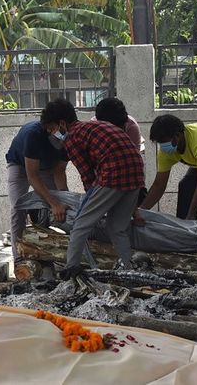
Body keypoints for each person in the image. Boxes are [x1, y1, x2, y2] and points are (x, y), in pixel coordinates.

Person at [59, 106, 145, 278]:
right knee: (117, 227)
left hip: (114, 174)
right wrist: (134, 211)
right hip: (136, 174)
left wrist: (88, 206)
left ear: (62, 123)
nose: (54, 133)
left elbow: (87, 176)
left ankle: (71, 270)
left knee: (80, 224)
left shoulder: (72, 137)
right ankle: (128, 270)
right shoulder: (97, 126)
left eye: (51, 128)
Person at [5, 98, 74, 264]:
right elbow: (32, 176)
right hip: (20, 166)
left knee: (56, 208)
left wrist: (64, 200)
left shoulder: (69, 137)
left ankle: (48, 254)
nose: (55, 133)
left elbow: (59, 171)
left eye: (56, 129)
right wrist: (54, 203)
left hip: (47, 168)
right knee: (18, 208)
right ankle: (19, 258)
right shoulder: (33, 134)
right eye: (51, 129)